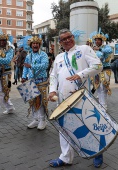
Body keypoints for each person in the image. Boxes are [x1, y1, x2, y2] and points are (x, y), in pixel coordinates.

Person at [48, 29, 103, 168]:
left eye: (69, 37)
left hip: (81, 96)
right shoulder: (59, 57)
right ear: (60, 42)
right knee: (64, 128)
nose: (67, 40)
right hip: (62, 98)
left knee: (89, 125)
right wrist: (52, 90)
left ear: (73, 37)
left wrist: (81, 75)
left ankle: (98, 152)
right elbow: (53, 75)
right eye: (64, 39)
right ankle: (66, 157)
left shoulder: (84, 49)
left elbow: (98, 66)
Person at [21, 36, 49, 130]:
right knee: (32, 102)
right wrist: (24, 77)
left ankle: (42, 120)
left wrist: (32, 66)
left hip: (41, 81)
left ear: (39, 45)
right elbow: (25, 67)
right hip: (31, 81)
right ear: (31, 45)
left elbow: (45, 65)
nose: (35, 45)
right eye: (34, 43)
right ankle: (35, 119)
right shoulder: (29, 56)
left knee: (40, 101)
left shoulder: (43, 54)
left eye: (37, 43)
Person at [92, 33, 113, 110]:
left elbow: (109, 50)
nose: (97, 41)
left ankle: (103, 105)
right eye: (96, 40)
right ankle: (101, 104)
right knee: (98, 87)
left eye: (98, 40)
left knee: (104, 87)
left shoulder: (106, 47)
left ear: (102, 41)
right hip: (97, 70)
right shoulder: (93, 49)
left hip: (105, 70)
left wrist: (100, 49)